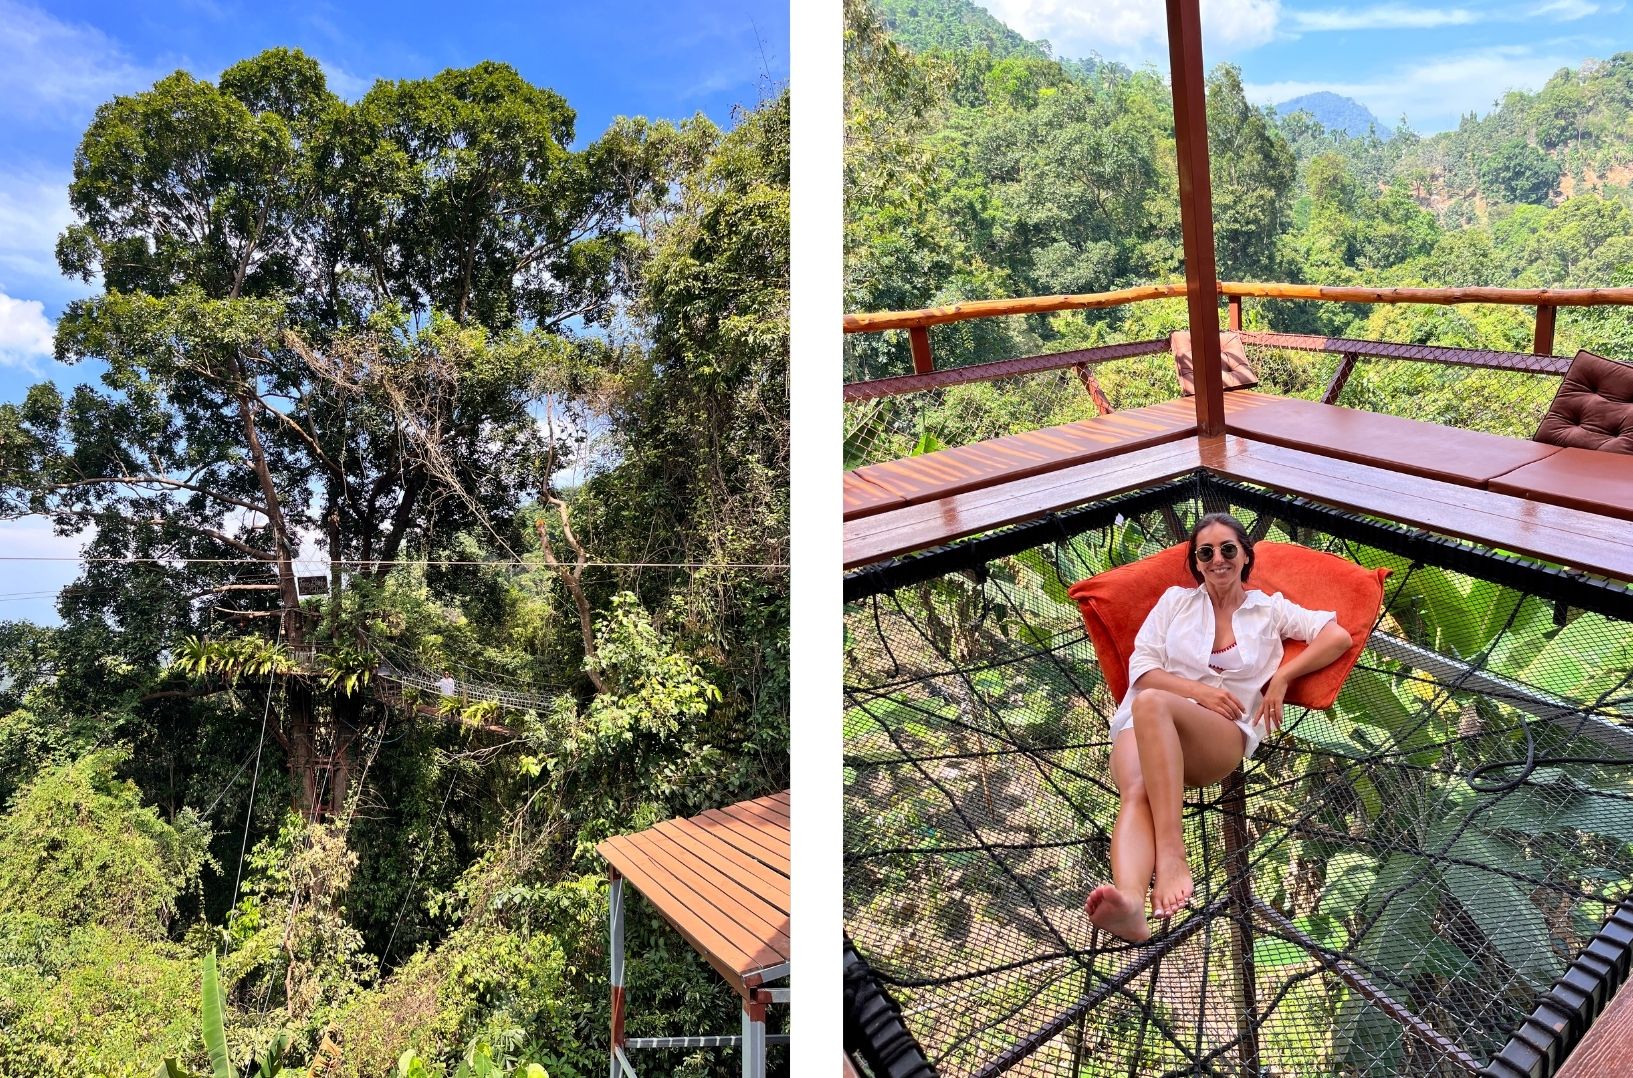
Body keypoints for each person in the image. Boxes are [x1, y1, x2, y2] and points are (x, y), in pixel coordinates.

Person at [1084, 513, 1354, 942]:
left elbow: (1335, 636)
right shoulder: (1175, 602)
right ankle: (1132, 903)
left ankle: (1172, 856)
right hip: (1148, 722)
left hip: (1217, 736)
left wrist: (1282, 678)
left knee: (1154, 705)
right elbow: (1143, 669)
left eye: (1228, 549)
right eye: (1205, 553)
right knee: (1135, 788)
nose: (1217, 559)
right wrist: (1198, 690)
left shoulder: (1267, 610)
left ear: (1246, 555)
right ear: (1196, 562)